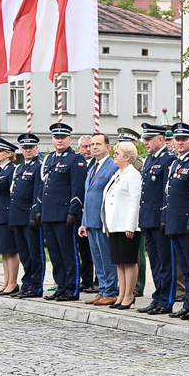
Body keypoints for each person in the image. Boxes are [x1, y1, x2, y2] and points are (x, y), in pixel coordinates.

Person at [37, 123, 87, 301]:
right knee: (55, 254)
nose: (59, 140)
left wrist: (73, 212)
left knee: (68, 253)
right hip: (50, 213)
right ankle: (61, 285)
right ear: (52, 139)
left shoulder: (75, 159)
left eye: (63, 137)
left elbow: (78, 189)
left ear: (69, 139)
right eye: (56, 137)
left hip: (65, 214)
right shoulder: (49, 158)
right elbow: (44, 185)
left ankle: (71, 289)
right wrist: (39, 209)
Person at [163, 123, 189, 321]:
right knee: (185, 267)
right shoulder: (176, 162)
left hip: (186, 223)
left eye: (184, 140)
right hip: (174, 222)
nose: (179, 143)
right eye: (177, 140)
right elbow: (169, 194)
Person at [136, 123, 177, 315]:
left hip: (160, 219)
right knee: (154, 261)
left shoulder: (168, 160)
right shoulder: (149, 160)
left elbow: (166, 193)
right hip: (148, 219)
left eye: (149, 139)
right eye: (145, 139)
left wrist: (164, 217)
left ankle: (166, 300)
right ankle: (158, 298)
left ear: (161, 139)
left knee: (165, 262)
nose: (146, 142)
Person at [79, 133, 118, 306]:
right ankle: (102, 290)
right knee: (97, 258)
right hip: (92, 220)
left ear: (107, 147)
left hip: (105, 221)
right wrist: (84, 221)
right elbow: (88, 195)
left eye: (98, 144)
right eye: (92, 144)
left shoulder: (112, 166)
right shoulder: (93, 166)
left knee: (107, 258)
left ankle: (110, 291)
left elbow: (113, 196)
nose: (94, 147)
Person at [102, 142, 142, 310]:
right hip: (115, 224)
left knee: (129, 261)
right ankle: (121, 294)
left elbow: (135, 201)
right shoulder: (119, 173)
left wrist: (131, 225)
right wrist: (108, 226)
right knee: (119, 262)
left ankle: (129, 295)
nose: (114, 156)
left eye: (117, 153)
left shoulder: (132, 174)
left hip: (127, 225)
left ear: (127, 157)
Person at [10, 133, 45, 298]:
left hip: (30, 217)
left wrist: (34, 214)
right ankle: (27, 282)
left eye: (30, 147)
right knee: (24, 253)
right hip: (17, 217)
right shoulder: (20, 167)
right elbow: (14, 194)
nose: (28, 150)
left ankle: (36, 286)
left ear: (36, 149)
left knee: (34, 254)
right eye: (24, 148)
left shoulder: (39, 166)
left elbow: (38, 192)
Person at [0, 138, 20, 295]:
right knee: (3, 251)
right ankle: (6, 281)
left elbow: (13, 194)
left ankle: (12, 283)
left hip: (7, 214)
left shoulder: (11, 170)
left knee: (11, 250)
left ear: (9, 154)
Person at [76, 134, 96, 293]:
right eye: (85, 147)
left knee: (96, 248)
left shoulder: (99, 164)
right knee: (84, 248)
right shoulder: (77, 162)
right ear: (79, 148)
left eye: (90, 146)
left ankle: (98, 281)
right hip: (80, 212)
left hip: (94, 212)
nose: (88, 149)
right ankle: (86, 278)